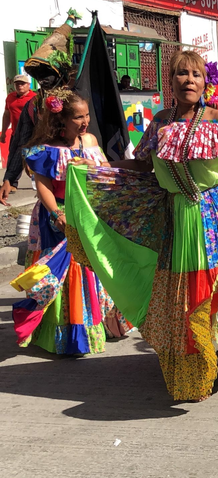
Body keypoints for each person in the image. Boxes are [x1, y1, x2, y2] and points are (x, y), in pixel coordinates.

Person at [63, 50, 218, 401]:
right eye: (182, 74)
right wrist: (99, 170)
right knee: (182, 296)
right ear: (172, 80)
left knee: (210, 289)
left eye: (196, 75)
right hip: (177, 219)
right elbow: (144, 166)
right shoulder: (161, 122)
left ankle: (217, 351)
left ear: (205, 82)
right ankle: (196, 359)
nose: (189, 81)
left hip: (217, 216)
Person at [9, 89, 129, 355]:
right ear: (61, 119)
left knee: (92, 269)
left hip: (87, 212)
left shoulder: (90, 141)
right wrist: (58, 215)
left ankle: (98, 324)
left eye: (87, 115)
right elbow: (43, 187)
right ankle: (69, 335)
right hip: (56, 218)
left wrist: (94, 167)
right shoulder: (45, 150)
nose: (85, 121)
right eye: (78, 117)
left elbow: (107, 171)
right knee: (65, 273)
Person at [0, 10, 80, 206]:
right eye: (38, 74)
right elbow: (21, 142)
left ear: (61, 74)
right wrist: (10, 177)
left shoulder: (76, 102)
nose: (42, 79)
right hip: (45, 175)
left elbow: (90, 138)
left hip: (77, 172)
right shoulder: (33, 105)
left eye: (47, 73)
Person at [1, 75, 36, 146]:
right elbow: (7, 115)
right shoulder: (10, 97)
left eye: (22, 83)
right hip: (15, 134)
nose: (19, 86)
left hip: (30, 135)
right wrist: (3, 132)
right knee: (12, 156)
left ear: (29, 85)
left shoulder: (34, 97)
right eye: (17, 84)